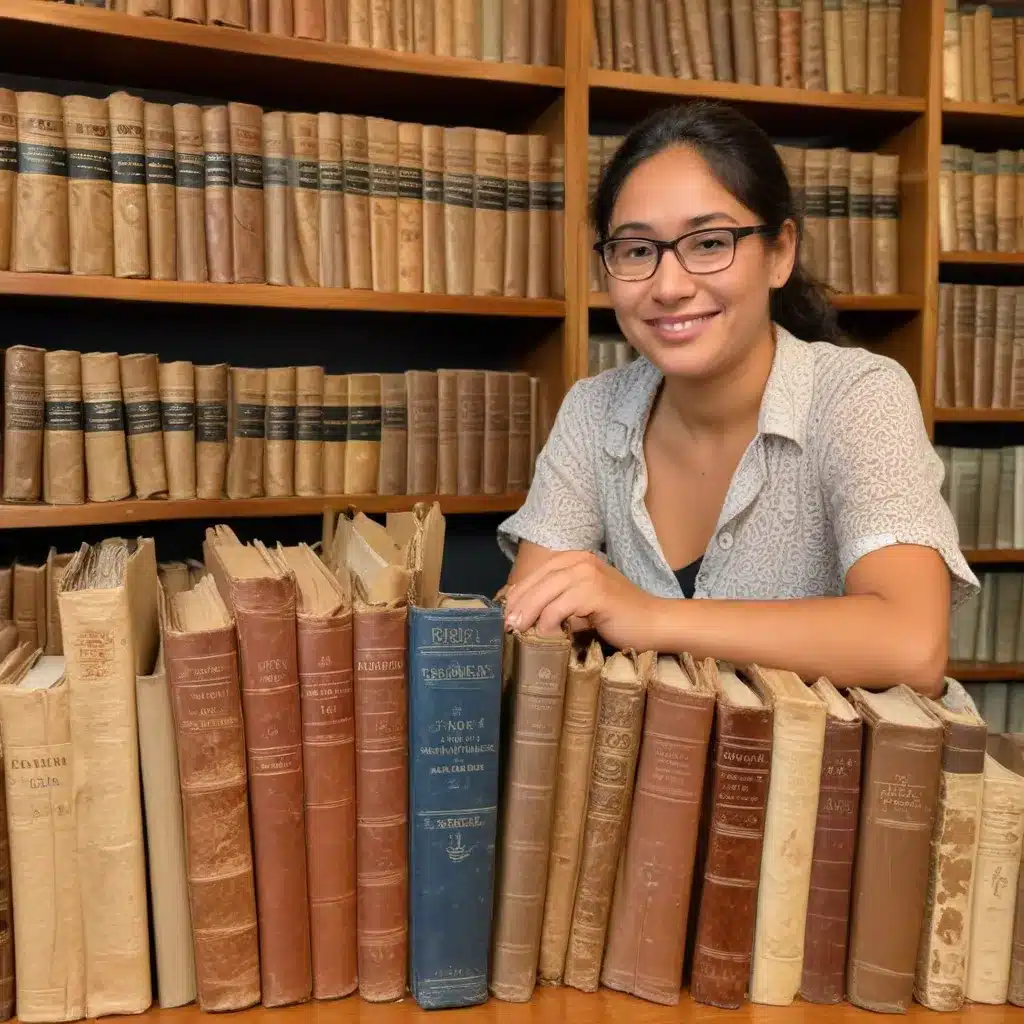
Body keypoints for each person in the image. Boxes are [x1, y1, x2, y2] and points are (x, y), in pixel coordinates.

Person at [497, 101, 978, 695]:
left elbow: (911, 645)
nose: (669, 287)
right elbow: (531, 626)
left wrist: (651, 618)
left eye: (709, 243)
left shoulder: (857, 395)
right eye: (637, 250)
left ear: (780, 254)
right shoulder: (594, 410)